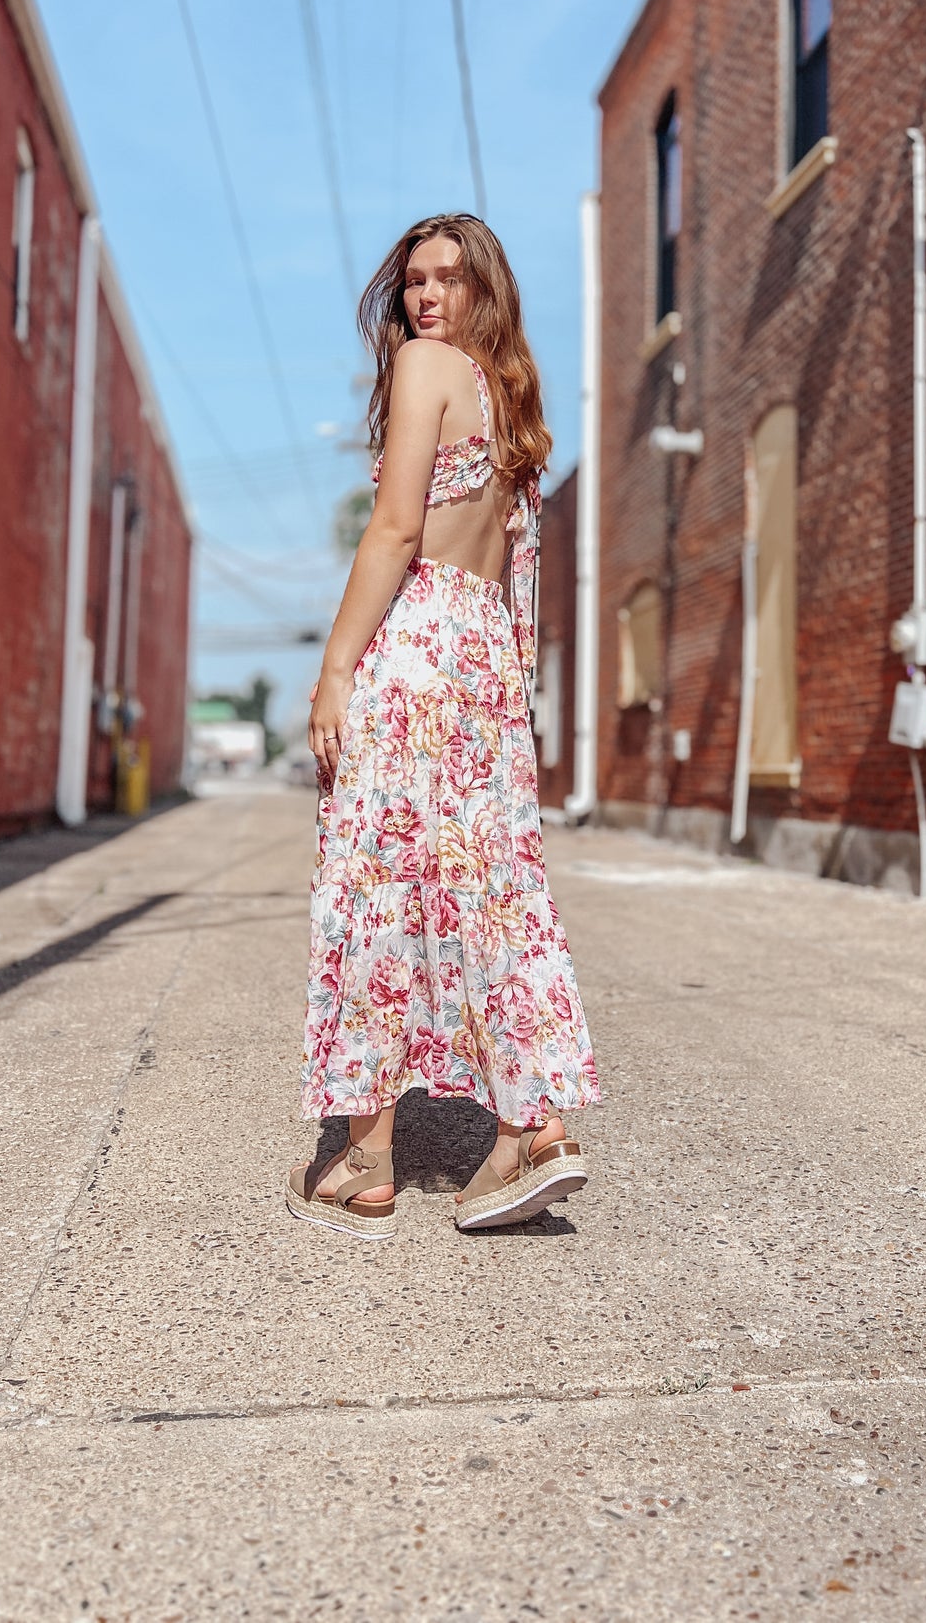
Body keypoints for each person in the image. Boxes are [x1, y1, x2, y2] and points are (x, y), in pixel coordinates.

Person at [288, 214, 601, 1239]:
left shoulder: (426, 368)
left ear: (482, 291)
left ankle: (370, 1153)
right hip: (484, 667)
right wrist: (512, 701)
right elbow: (519, 572)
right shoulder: (513, 397)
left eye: (448, 280)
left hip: (416, 643)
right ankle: (527, 1127)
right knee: (489, 895)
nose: (425, 300)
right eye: (414, 283)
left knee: (373, 884)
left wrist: (335, 669)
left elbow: (395, 529)